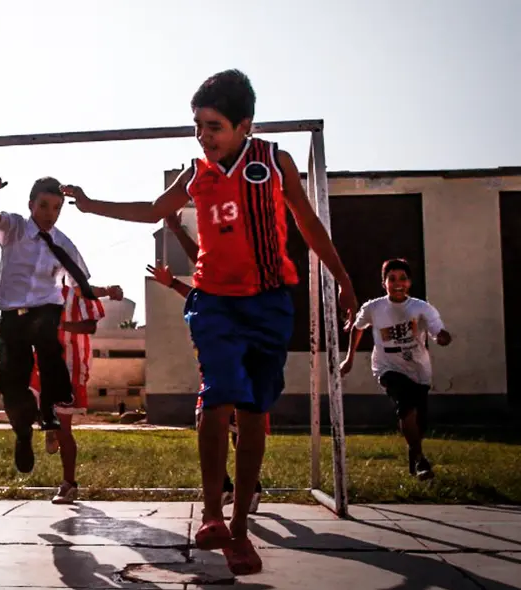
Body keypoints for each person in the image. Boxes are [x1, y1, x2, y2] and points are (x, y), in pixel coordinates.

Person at [66, 70, 358, 575]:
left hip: (268, 303)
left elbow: (308, 223)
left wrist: (343, 280)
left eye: (215, 126)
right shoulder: (196, 174)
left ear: (245, 125)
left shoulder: (273, 162)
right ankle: (211, 513)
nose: (204, 136)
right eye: (198, 126)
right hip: (214, 301)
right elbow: (153, 210)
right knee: (218, 394)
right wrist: (92, 204)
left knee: (252, 410)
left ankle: (242, 528)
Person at [0, 174, 97, 473]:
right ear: (31, 205)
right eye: (43, 206)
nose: (49, 214)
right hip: (12, 315)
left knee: (48, 349)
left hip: (45, 309)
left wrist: (95, 297)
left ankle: (51, 411)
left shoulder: (62, 242)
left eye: (56, 208)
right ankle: (22, 432)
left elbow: (81, 278)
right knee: (9, 380)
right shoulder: (15, 227)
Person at [152, 213, 267, 513]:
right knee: (210, 427)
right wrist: (173, 281)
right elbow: (196, 291)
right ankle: (226, 488)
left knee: (235, 429)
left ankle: (248, 488)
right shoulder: (210, 293)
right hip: (214, 370)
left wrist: (177, 229)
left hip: (240, 370)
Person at [341, 258, 451, 481]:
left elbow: (437, 330)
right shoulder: (374, 307)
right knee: (406, 406)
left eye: (402, 278)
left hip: (418, 370)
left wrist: (442, 337)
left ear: (409, 283)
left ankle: (415, 454)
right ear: (384, 283)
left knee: (419, 422)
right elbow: (357, 328)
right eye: (391, 279)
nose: (397, 283)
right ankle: (421, 460)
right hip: (386, 368)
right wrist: (349, 359)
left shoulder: (421, 308)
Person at [30, 279, 123, 504]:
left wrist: (59, 326)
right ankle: (48, 424)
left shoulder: (77, 292)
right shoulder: (37, 290)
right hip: (42, 360)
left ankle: (69, 483)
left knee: (64, 427)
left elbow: (90, 326)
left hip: (69, 365)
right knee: (26, 399)